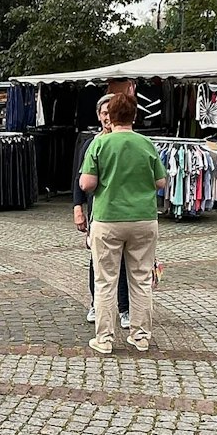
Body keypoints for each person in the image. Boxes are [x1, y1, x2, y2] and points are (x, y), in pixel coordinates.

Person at [78, 88, 164, 355]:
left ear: (110, 117)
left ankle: (104, 338)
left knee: (106, 280)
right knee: (140, 278)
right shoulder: (146, 144)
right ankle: (140, 335)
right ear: (134, 117)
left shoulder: (99, 144)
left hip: (108, 219)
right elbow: (160, 182)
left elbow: (87, 183)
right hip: (143, 219)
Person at [72, 96, 128, 330]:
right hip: (99, 211)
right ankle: (96, 303)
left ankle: (125, 308)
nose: (107, 117)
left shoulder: (127, 142)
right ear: (98, 115)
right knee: (97, 260)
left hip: (125, 211)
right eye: (103, 113)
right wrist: (78, 208)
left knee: (125, 261)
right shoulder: (90, 144)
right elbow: (79, 179)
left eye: (110, 112)